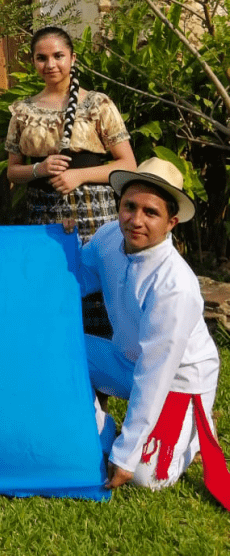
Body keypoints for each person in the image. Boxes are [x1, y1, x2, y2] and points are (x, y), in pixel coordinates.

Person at [80, 158, 229, 503]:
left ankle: (190, 432)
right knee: (61, 352)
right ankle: (99, 431)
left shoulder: (174, 285)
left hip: (177, 380)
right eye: (129, 206)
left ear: (171, 223)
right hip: (126, 359)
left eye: (151, 212)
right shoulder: (107, 236)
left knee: (146, 477)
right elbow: (80, 277)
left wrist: (126, 455)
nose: (135, 220)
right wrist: (59, 245)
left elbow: (155, 374)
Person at [5, 26, 136, 336]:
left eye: (58, 56)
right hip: (44, 215)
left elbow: (127, 165)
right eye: (42, 58)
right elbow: (13, 171)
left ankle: (105, 370)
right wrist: (41, 169)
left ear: (72, 58)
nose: (50, 65)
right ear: (33, 61)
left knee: (99, 286)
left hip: (95, 215)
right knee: (51, 286)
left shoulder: (97, 104)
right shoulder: (23, 111)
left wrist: (78, 175)